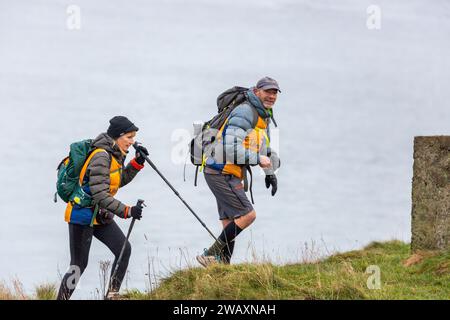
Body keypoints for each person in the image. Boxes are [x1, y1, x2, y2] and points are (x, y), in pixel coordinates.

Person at [57, 116, 149, 300]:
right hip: (81, 214)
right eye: (129, 137)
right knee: (78, 265)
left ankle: (112, 295)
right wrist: (127, 210)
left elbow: (115, 181)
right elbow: (100, 193)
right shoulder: (102, 155)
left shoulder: (115, 154)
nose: (132, 142)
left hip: (99, 214)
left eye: (133, 138)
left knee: (124, 249)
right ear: (118, 136)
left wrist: (136, 163)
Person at [196, 77, 281, 267]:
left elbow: (262, 147)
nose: (272, 96)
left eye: (275, 92)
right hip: (220, 170)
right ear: (257, 91)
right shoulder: (244, 111)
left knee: (230, 223)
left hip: (226, 172)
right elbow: (230, 147)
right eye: (268, 91)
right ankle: (209, 255)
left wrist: (270, 173)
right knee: (247, 215)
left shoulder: (263, 114)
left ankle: (222, 270)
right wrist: (258, 160)